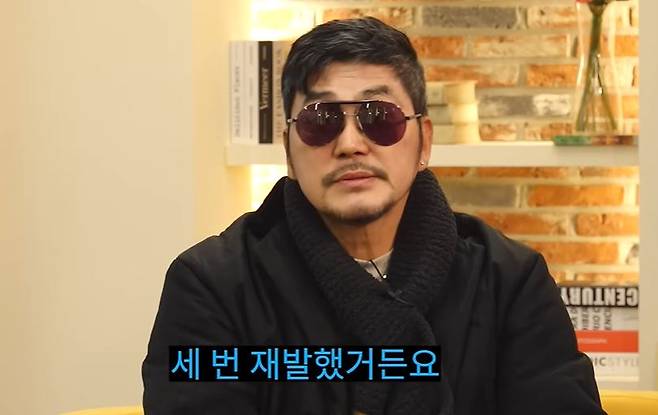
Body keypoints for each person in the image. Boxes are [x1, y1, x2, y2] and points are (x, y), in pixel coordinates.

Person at [142, 17, 605, 415]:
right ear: (288, 149)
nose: (350, 144)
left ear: (424, 141)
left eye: (379, 117)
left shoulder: (511, 281)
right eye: (321, 120)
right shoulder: (212, 286)